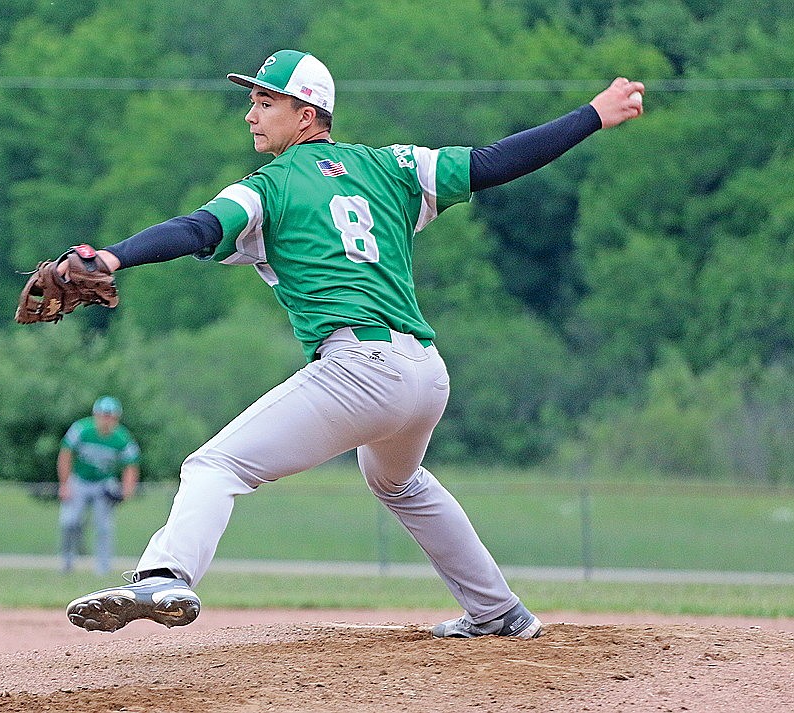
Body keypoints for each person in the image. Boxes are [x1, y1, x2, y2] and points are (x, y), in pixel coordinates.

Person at [64, 50, 644, 637]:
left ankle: (164, 574)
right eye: (252, 101)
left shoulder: (270, 186)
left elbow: (197, 229)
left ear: (308, 113)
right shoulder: (392, 166)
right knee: (396, 479)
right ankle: (499, 612)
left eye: (266, 102)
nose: (251, 114)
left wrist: (111, 257)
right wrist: (593, 113)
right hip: (424, 374)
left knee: (214, 466)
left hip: (360, 369)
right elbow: (495, 162)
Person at [58, 396, 140, 575]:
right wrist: (64, 484)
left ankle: (102, 570)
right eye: (103, 415)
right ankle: (66, 563)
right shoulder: (81, 429)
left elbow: (131, 465)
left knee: (103, 527)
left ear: (116, 418)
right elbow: (65, 454)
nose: (106, 420)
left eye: (111, 416)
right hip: (79, 480)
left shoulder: (122, 437)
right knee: (69, 522)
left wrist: (127, 490)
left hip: (103, 484)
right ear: (96, 415)